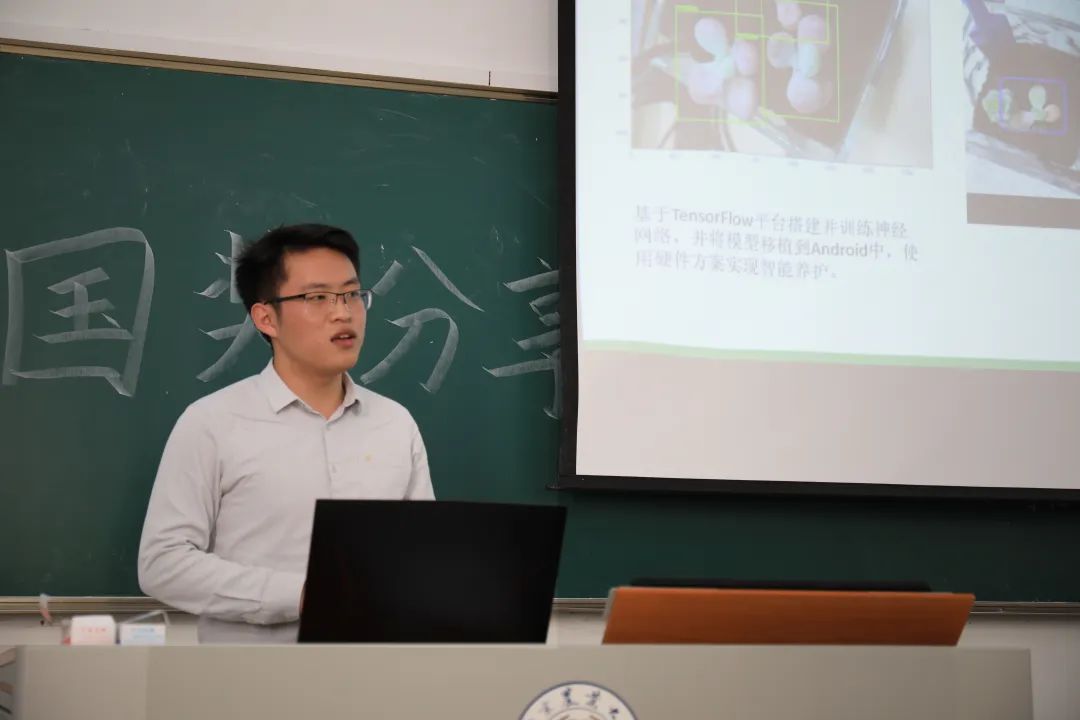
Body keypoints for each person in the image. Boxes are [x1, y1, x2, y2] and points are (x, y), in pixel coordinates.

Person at [138, 224, 434, 643]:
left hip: (376, 668)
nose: (343, 313)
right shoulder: (212, 423)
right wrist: (300, 595)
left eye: (352, 294)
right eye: (317, 298)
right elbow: (163, 564)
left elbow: (420, 558)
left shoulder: (395, 424)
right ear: (266, 318)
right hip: (253, 676)